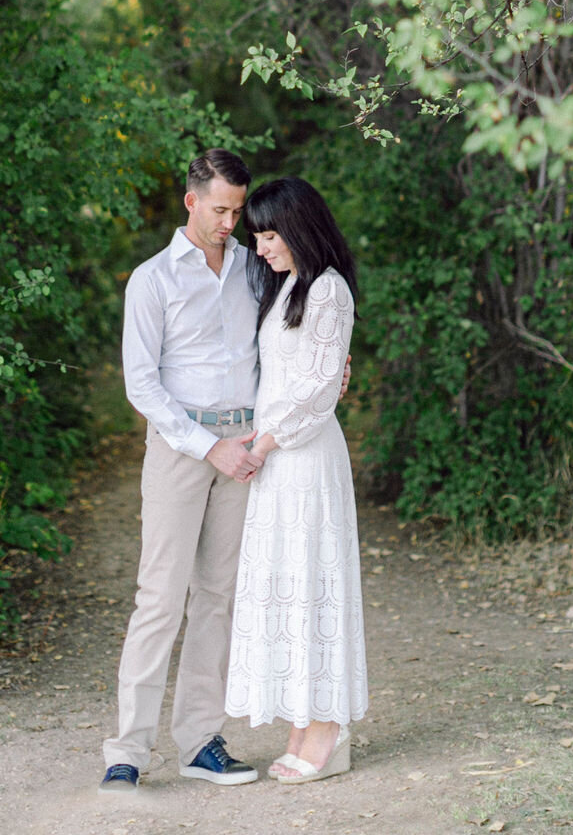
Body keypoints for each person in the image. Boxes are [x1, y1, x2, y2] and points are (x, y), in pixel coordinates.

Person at [99, 148, 261, 792]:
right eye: (220, 209)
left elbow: (286, 335)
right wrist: (205, 443)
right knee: (159, 600)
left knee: (219, 600)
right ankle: (128, 752)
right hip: (179, 448)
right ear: (191, 201)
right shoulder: (153, 279)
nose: (230, 222)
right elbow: (142, 384)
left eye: (238, 211)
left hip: (244, 448)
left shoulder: (255, 268)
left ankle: (200, 739)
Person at [224, 175, 368, 783]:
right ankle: (302, 720)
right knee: (287, 582)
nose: (260, 248)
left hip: (303, 456)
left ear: (300, 229)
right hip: (276, 456)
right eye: (256, 236)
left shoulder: (329, 291)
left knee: (314, 582)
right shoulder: (286, 288)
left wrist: (265, 442)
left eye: (269, 235)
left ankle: (329, 727)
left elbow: (316, 390)